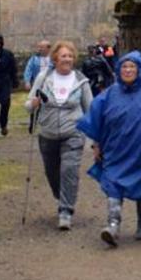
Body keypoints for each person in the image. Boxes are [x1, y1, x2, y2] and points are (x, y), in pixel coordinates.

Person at [77, 51, 141, 247]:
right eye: (124, 66)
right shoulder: (108, 95)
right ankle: (113, 225)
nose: (128, 70)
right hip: (115, 151)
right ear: (118, 69)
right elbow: (96, 118)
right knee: (112, 183)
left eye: (132, 67)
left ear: (139, 70)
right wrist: (96, 143)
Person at [26, 41, 92, 230]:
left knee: (69, 171)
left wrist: (96, 137)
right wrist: (34, 103)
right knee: (52, 173)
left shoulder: (81, 80)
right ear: (55, 58)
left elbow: (91, 109)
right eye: (63, 56)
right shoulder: (43, 77)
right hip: (47, 134)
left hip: (73, 133)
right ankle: (61, 194)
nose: (67, 59)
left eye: (70, 56)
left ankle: (65, 211)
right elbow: (28, 105)